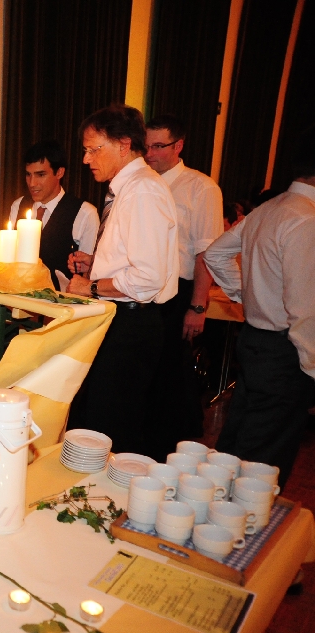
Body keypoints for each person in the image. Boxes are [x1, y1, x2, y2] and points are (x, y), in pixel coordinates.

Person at [66, 104, 179, 457]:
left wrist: (90, 286)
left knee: (111, 428)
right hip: (121, 319)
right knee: (95, 420)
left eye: (93, 149)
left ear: (124, 144)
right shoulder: (126, 189)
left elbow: (146, 279)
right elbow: (133, 258)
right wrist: (97, 263)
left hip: (132, 324)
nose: (86, 159)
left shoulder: (142, 191)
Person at [204, 129, 315, 484]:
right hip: (284, 352)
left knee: (238, 444)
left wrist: (246, 295)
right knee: (263, 463)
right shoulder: (306, 218)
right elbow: (305, 310)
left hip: (254, 341)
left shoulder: (271, 207)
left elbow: (215, 253)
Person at [143, 114, 224, 449]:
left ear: (178, 146)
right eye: (146, 146)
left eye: (158, 146)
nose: (149, 154)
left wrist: (198, 305)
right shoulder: (142, 183)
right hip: (144, 288)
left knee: (169, 371)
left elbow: (207, 251)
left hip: (179, 291)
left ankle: (167, 446)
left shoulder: (201, 188)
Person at [7, 140, 99, 280]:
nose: (32, 183)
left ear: (59, 172)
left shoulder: (85, 213)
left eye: (40, 175)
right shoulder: (18, 205)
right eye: (28, 174)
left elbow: (88, 273)